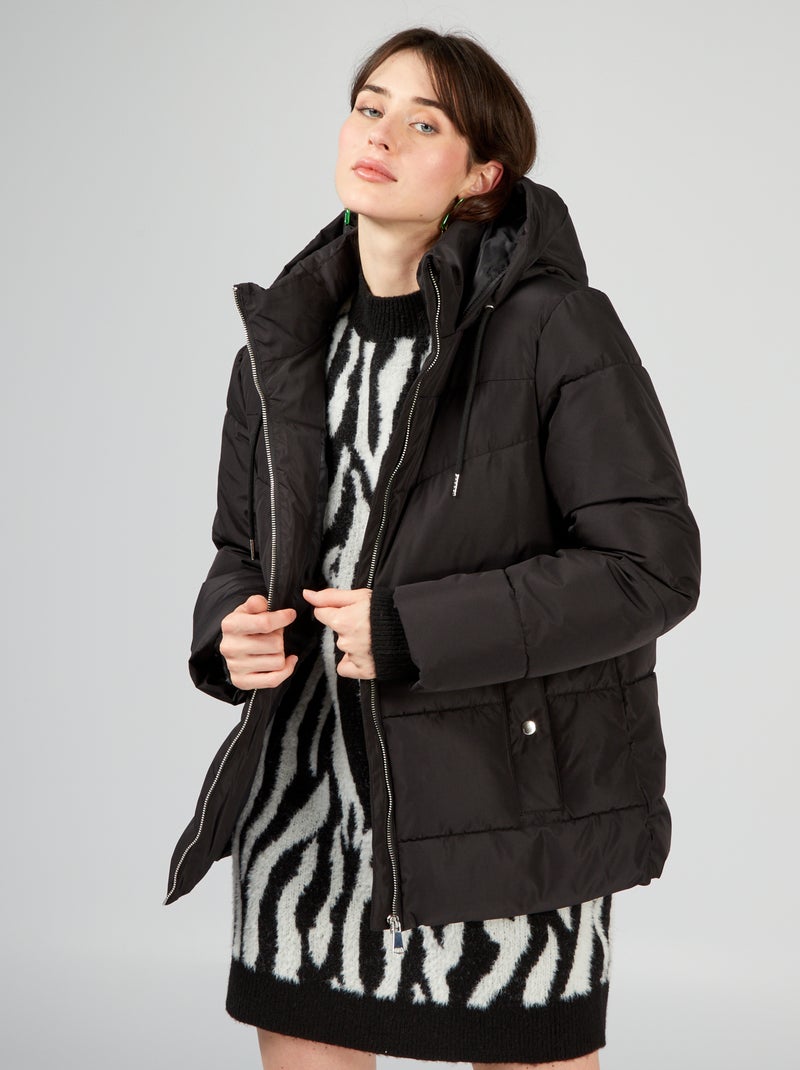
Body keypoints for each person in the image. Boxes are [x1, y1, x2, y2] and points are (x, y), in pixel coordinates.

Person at [164, 26, 701, 1070]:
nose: (381, 135)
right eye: (369, 108)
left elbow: (650, 567)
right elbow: (240, 546)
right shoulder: (282, 347)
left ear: (481, 174)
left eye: (423, 124)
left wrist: (414, 630)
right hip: (306, 810)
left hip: (500, 813)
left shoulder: (555, 328)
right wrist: (229, 627)